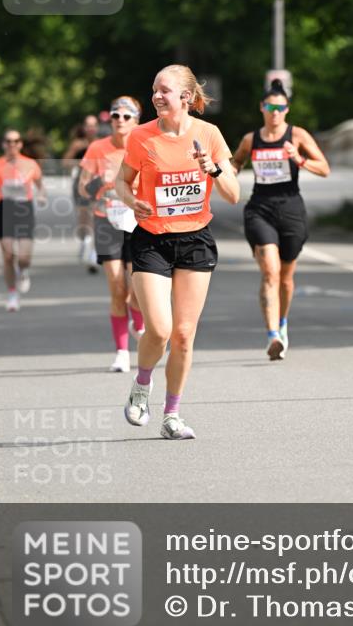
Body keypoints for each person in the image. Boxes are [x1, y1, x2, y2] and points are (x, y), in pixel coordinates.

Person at [115, 64, 239, 440]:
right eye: (154, 89)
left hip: (195, 240)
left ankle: (172, 414)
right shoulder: (141, 136)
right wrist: (131, 200)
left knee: (184, 335)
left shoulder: (209, 134)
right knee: (161, 328)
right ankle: (141, 385)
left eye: (164, 90)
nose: (156, 96)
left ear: (185, 97)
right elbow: (121, 181)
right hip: (152, 238)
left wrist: (213, 168)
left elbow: (234, 194)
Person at [231, 79, 330, 360]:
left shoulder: (297, 135)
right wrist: (229, 173)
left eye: (280, 107)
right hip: (259, 209)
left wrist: (298, 159)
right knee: (270, 272)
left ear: (287, 110)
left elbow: (324, 168)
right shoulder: (252, 139)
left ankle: (283, 324)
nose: (274, 112)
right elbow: (236, 161)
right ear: (262, 108)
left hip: (291, 210)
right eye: (269, 106)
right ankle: (272, 335)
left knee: (286, 278)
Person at [78, 97, 145, 373]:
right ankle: (121, 352)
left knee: (137, 288)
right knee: (117, 288)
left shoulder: (145, 145)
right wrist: (101, 183)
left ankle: (138, 325)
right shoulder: (97, 148)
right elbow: (82, 188)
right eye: (116, 115)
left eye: (127, 116)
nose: (120, 120)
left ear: (136, 120)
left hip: (138, 222)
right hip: (107, 222)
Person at [0, 130, 47, 311]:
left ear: (21, 144)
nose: (12, 144)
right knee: (8, 256)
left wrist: (42, 197)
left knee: (24, 257)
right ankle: (12, 293)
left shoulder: (30, 165)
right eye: (8, 141)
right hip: (3, 210)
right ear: (3, 144)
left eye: (16, 141)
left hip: (24, 210)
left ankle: (22, 270)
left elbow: (41, 187)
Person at [63, 115, 99, 271]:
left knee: (95, 215)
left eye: (93, 125)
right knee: (83, 217)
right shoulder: (78, 144)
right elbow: (65, 162)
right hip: (80, 183)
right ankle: (85, 241)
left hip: (97, 183)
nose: (90, 128)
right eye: (88, 125)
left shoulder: (101, 144)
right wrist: (83, 163)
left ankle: (92, 251)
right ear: (83, 128)